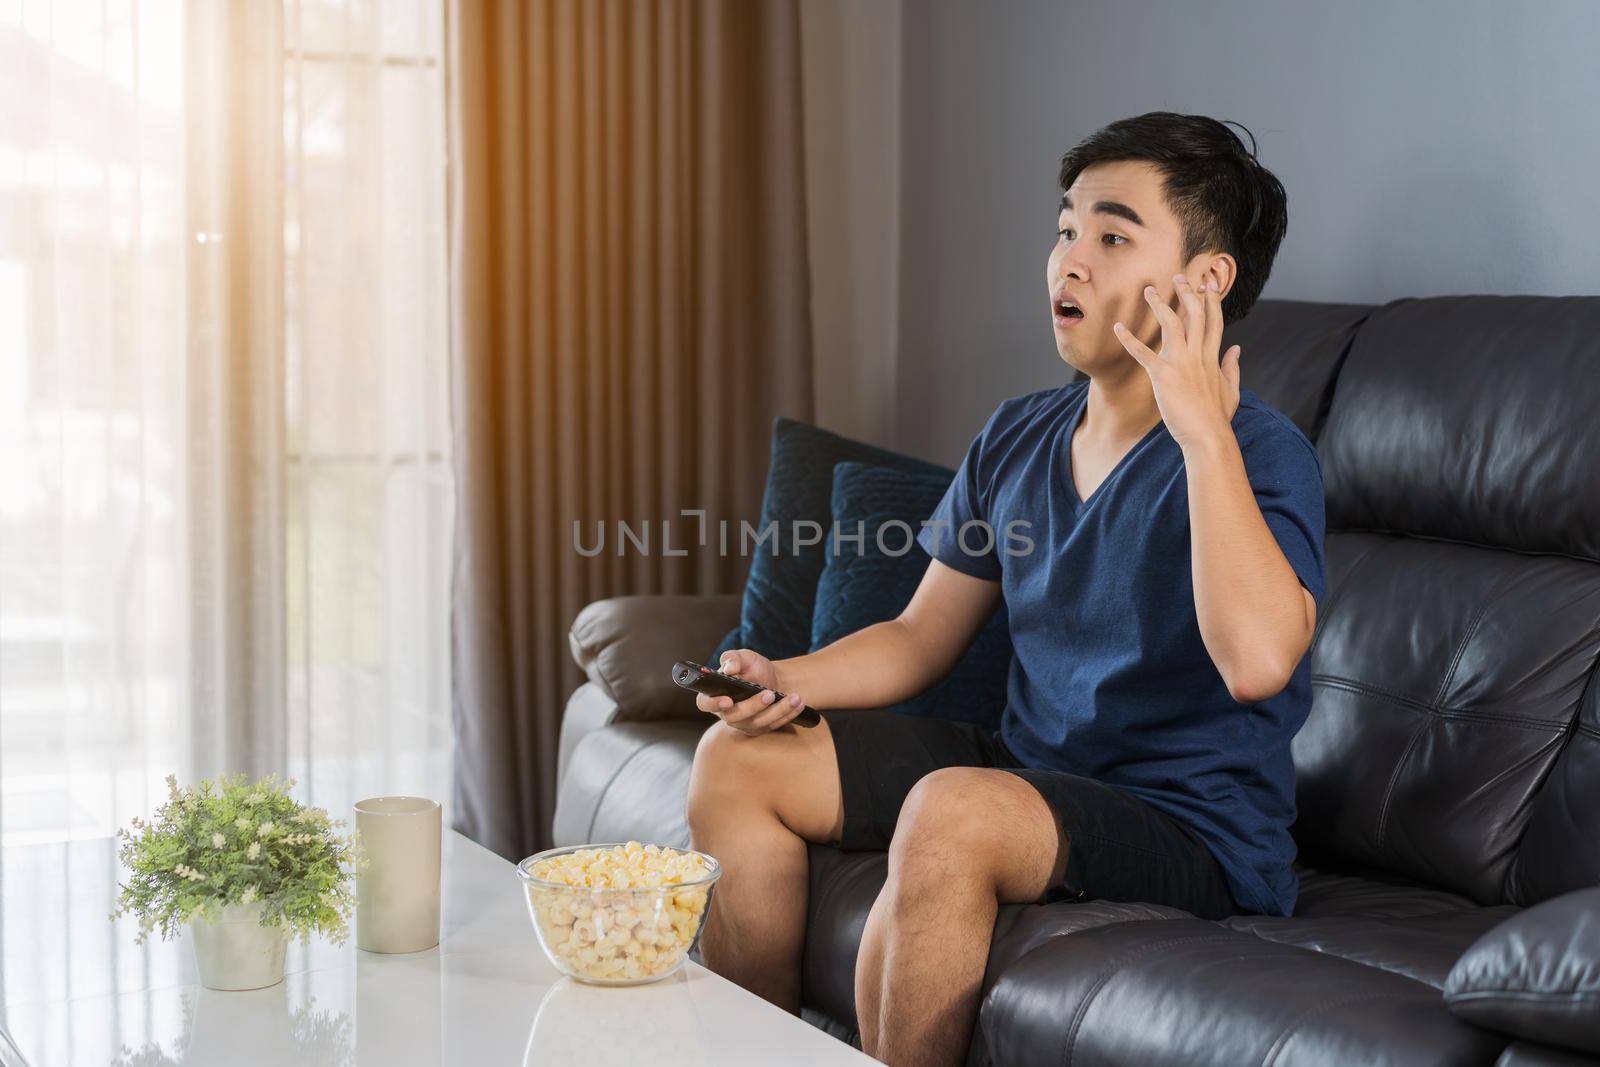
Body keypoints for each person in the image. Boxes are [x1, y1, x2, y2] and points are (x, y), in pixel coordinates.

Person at [686, 111, 1324, 1067]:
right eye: (1066, 228)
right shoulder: (1019, 433)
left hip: (1186, 820)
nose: (1070, 259)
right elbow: (917, 636)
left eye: (1112, 236)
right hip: (1031, 772)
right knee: (735, 760)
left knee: (954, 809)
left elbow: (1259, 661)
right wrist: (786, 675)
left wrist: (1202, 435)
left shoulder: (1259, 454)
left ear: (1206, 279)